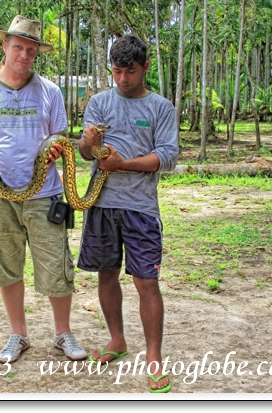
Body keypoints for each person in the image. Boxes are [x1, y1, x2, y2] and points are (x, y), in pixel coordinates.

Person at [0, 15, 87, 364]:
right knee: (5, 263)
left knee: (55, 262)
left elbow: (60, 139)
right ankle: (18, 335)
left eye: (31, 50)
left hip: (44, 193)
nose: (24, 55)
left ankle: (63, 333)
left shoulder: (50, 91)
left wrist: (55, 151)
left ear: (37, 53)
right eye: (18, 47)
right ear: (5, 46)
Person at [77, 35, 178, 393]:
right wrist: (87, 143)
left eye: (130, 72)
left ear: (145, 67)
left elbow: (166, 156)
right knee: (106, 276)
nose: (122, 79)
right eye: (117, 72)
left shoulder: (160, 107)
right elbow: (85, 155)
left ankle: (154, 356)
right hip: (101, 204)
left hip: (141, 209)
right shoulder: (101, 102)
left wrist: (125, 164)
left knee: (146, 282)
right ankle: (116, 340)